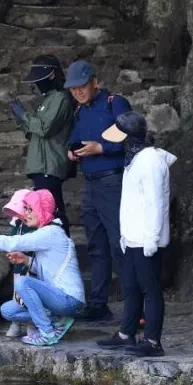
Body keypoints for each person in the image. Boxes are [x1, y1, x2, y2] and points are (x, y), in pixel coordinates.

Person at [0, 189, 85, 347]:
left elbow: (14, 242)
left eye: (31, 209)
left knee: (23, 282)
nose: (26, 214)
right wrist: (26, 260)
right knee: (8, 310)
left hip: (69, 300)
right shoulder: (47, 232)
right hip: (57, 299)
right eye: (26, 209)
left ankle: (47, 332)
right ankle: (57, 321)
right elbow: (49, 269)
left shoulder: (51, 232)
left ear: (42, 210)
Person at [94, 111, 176, 357]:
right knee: (130, 286)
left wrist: (151, 238)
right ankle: (126, 333)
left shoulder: (150, 161)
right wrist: (124, 235)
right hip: (131, 237)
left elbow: (155, 202)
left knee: (150, 289)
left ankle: (152, 341)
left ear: (130, 137)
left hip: (145, 237)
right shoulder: (135, 160)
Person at [64, 60, 132, 320]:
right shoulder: (80, 110)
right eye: (73, 89)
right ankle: (98, 305)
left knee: (119, 244)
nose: (77, 92)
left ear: (94, 82)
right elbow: (75, 139)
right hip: (91, 183)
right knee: (96, 246)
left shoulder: (115, 103)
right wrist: (73, 152)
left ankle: (134, 308)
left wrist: (101, 148)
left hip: (113, 181)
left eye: (81, 86)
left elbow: (131, 136)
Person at [8, 56, 75, 235]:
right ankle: (58, 246)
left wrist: (23, 115)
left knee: (52, 212)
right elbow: (34, 133)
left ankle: (62, 245)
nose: (37, 84)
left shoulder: (60, 98)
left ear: (52, 75)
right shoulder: (48, 100)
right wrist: (20, 117)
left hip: (50, 164)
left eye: (39, 79)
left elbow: (44, 128)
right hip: (42, 165)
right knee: (50, 211)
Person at [1, 189, 36, 338]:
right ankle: (15, 323)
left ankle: (32, 323)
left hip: (34, 267)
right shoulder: (17, 224)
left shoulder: (39, 225)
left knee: (32, 297)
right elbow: (11, 241)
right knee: (17, 295)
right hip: (19, 267)